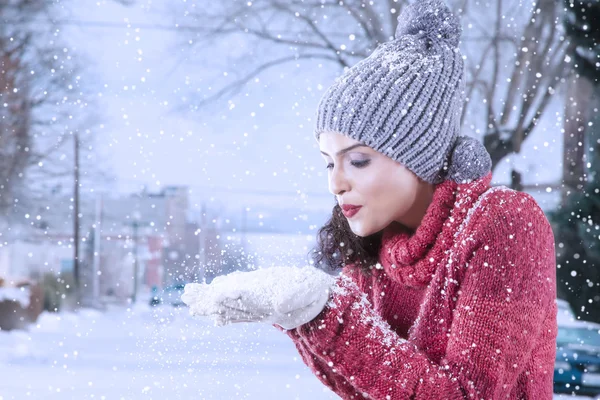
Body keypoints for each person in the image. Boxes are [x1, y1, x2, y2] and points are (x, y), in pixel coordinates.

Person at [181, 0, 558, 398]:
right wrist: (303, 319)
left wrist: (330, 314)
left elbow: (469, 395)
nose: (336, 184)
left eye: (357, 160)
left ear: (419, 155)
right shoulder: (373, 249)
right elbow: (364, 387)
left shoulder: (504, 223)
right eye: (329, 164)